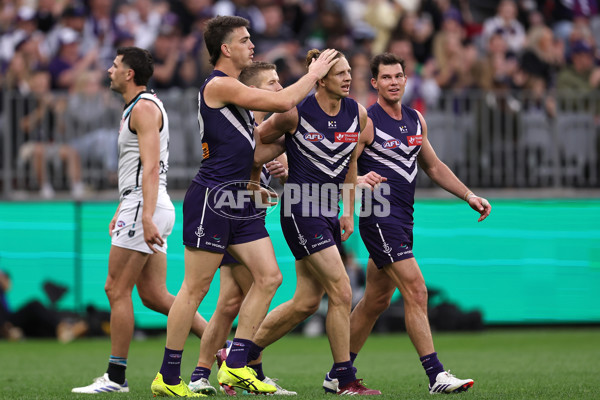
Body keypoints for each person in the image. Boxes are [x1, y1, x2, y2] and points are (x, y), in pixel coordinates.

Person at [150, 16, 339, 397]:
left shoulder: (232, 87)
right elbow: (285, 101)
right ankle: (168, 378)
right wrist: (316, 72)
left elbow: (252, 147)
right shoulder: (220, 85)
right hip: (213, 198)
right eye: (245, 40)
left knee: (269, 277)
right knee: (194, 289)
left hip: (238, 198)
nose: (252, 45)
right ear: (225, 48)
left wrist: (286, 156)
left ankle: (235, 365)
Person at [323, 52, 491, 395]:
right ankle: (436, 375)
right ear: (375, 83)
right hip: (379, 218)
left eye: (399, 76)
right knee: (416, 290)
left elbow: (434, 166)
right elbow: (343, 165)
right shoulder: (367, 121)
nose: (394, 82)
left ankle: (339, 374)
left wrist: (468, 195)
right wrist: (351, 201)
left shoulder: (416, 120)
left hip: (403, 218)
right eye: (386, 77)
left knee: (376, 301)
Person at [72, 46, 208, 394]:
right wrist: (125, 208)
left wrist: (143, 214)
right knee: (153, 295)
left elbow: (150, 167)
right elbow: (139, 166)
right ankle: (220, 347)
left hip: (146, 206)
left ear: (129, 73)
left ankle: (116, 377)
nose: (109, 71)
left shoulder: (144, 108)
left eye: (115, 66)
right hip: (144, 204)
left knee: (116, 289)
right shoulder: (141, 105)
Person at [249, 48, 381, 396]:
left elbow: (351, 165)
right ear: (320, 79)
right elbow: (254, 141)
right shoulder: (295, 112)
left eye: (350, 71)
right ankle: (343, 378)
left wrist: (348, 211)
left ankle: (237, 357)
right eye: (340, 73)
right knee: (342, 290)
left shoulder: (358, 114)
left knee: (307, 301)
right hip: (299, 208)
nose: (349, 77)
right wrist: (268, 167)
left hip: (328, 213)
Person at [186, 61, 294, 396]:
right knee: (252, 290)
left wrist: (284, 165)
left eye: (279, 81)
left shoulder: (259, 127)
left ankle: (206, 372)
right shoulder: (247, 129)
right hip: (233, 216)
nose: (278, 88)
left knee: (231, 300)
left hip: (248, 217)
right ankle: (238, 366)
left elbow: (265, 162)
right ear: (253, 91)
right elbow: (247, 162)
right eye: (271, 83)